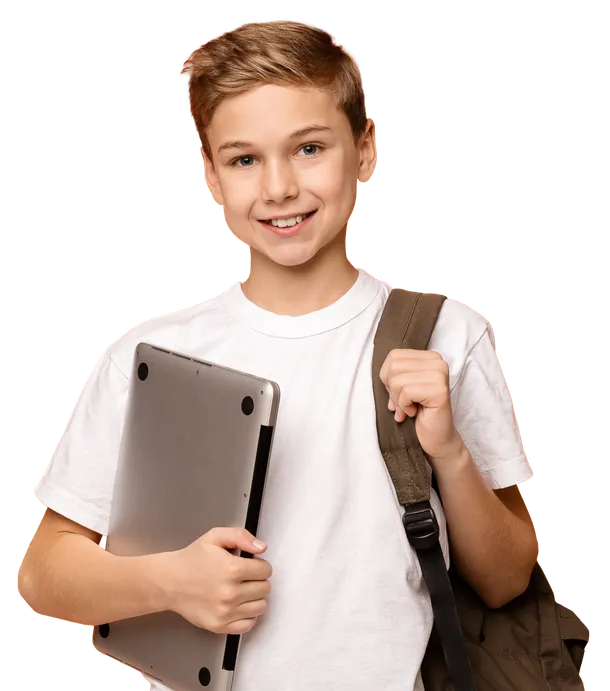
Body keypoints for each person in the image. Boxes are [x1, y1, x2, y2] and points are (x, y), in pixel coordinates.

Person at [16, 18, 538, 691]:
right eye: (243, 159)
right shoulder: (150, 355)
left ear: (366, 152)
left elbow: (505, 578)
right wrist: (170, 582)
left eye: (309, 148)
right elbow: (44, 574)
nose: (280, 187)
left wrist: (450, 453)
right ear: (209, 176)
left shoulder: (442, 332)